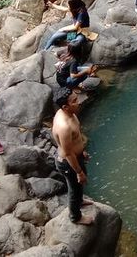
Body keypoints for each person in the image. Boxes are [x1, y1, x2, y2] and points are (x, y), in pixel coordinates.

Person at [52, 88, 94, 225]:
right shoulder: (64, 126)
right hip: (68, 163)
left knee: (79, 184)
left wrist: (82, 152)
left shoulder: (70, 113)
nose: (79, 102)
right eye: (75, 101)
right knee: (74, 189)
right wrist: (79, 172)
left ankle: (80, 201)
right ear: (65, 106)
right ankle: (75, 217)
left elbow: (76, 137)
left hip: (76, 156)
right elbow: (68, 152)